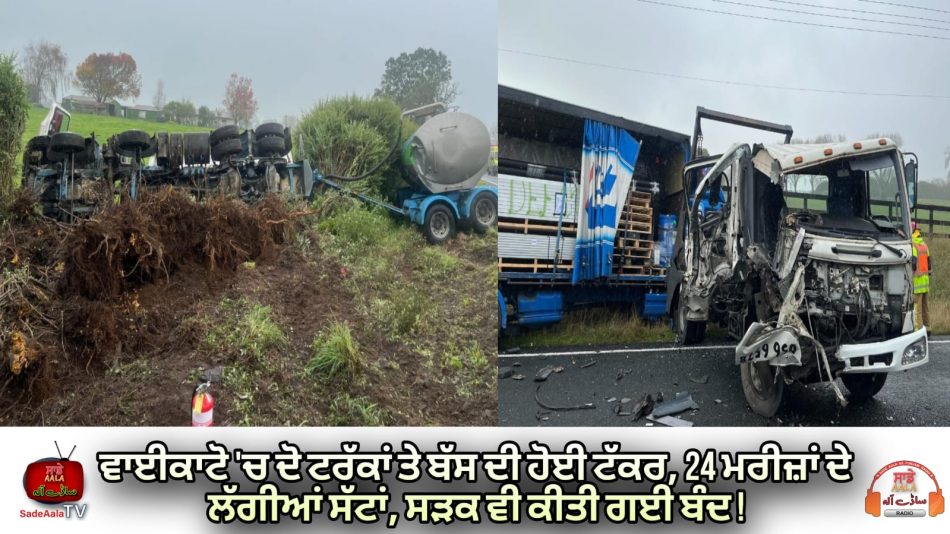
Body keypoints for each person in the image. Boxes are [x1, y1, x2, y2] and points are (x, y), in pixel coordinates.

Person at [912, 222, 931, 331]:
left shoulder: (914, 246)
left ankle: (918, 330)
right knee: (925, 306)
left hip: (918, 281)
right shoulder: (924, 245)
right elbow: (929, 264)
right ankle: (928, 328)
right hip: (925, 281)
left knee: (917, 308)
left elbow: (913, 264)